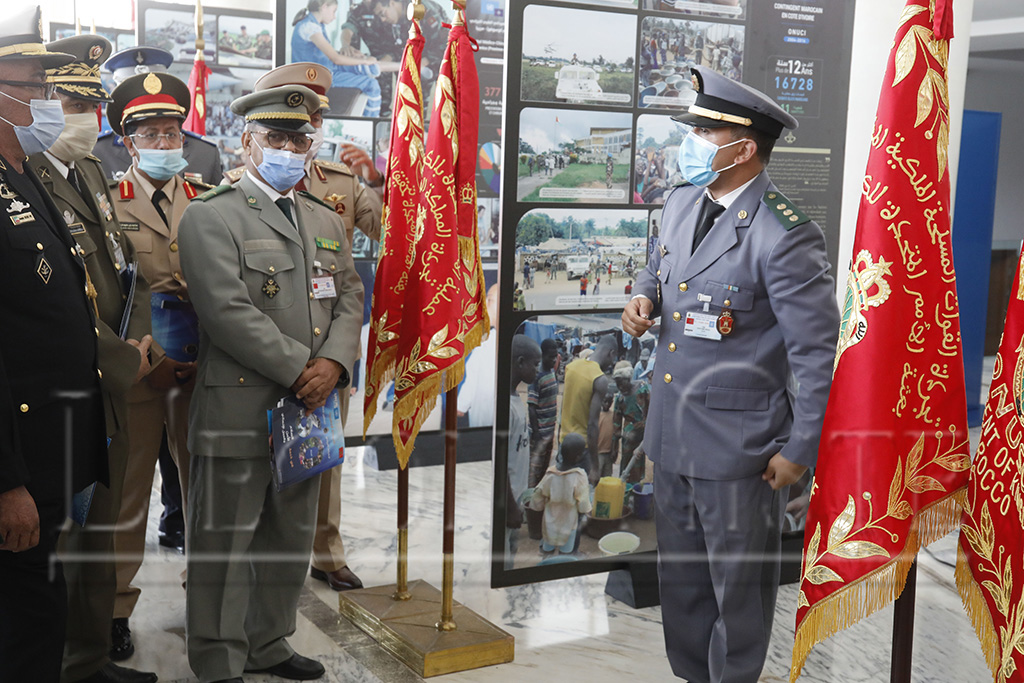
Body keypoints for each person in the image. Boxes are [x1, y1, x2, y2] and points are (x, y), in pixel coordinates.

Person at [621, 66, 839, 683]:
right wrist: (642, 298)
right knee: (684, 590)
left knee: (737, 602)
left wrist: (800, 453)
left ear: (743, 148)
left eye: (704, 131)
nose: (690, 141)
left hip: (740, 450)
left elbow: (816, 356)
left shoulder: (785, 234)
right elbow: (658, 268)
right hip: (672, 435)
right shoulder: (683, 201)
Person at [178, 84, 363, 681]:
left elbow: (350, 295)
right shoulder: (212, 215)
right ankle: (219, 658)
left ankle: (270, 644)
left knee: (289, 535)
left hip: (309, 411)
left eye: (299, 138)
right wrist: (299, 369)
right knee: (225, 545)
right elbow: (226, 311)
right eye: (275, 137)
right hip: (241, 408)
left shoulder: (322, 215)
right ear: (248, 142)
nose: (288, 148)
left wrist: (333, 364)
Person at [31, 34, 159, 683]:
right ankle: (54, 659)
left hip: (111, 380)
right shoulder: (23, 177)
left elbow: (121, 272)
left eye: (88, 101)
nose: (79, 115)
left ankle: (85, 657)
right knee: (59, 536)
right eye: (67, 98)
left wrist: (133, 347)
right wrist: (117, 357)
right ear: (35, 98)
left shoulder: (88, 171)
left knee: (100, 528)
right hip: (65, 384)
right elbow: (47, 302)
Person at [228, 61, 381, 595]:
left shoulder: (340, 180)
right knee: (246, 473)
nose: (305, 127)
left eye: (314, 115)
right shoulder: (232, 189)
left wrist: (385, 182)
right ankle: (232, 562)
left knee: (323, 460)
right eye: (294, 114)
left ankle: (326, 551)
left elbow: (385, 232)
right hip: (259, 360)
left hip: (324, 354)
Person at [0, 9, 108, 680]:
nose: (48, 96)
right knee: (23, 624)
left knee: (41, 606)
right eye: (35, 82)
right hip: (21, 459)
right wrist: (6, 482)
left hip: (53, 451)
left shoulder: (27, 175)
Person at [105, 71, 208, 662]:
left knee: (207, 491)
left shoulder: (209, 200)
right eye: (152, 133)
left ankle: (207, 598)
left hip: (202, 372)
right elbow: (104, 295)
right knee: (128, 496)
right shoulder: (105, 204)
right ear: (128, 139)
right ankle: (116, 607)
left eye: (173, 133)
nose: (165, 143)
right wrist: (150, 359)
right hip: (141, 375)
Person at [93, 46, 222, 185]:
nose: (163, 144)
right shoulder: (97, 152)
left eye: (171, 134)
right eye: (150, 135)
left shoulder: (205, 153)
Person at [291, 0, 398, 118]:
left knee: (370, 67)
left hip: (326, 69)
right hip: (316, 77)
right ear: (324, 7)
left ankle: (404, 66)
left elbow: (324, 54)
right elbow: (335, 58)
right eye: (333, 11)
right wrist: (365, 60)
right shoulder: (309, 27)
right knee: (371, 83)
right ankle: (370, 121)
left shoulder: (315, 25)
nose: (334, 16)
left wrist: (355, 56)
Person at [559, 335, 616, 485]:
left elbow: (564, 406)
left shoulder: (571, 366)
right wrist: (595, 467)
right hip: (581, 451)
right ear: (611, 353)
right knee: (580, 499)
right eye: (613, 358)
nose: (611, 363)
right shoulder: (599, 379)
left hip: (564, 443)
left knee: (562, 492)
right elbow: (592, 425)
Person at [506, 335, 540, 569]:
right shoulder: (506, 408)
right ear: (519, 363)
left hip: (515, 497)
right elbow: (499, 464)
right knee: (503, 559)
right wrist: (510, 507)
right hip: (506, 502)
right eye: (534, 364)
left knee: (511, 549)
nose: (537, 370)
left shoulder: (517, 398)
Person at [530, 433, 591, 556]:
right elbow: (583, 503)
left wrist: (537, 507)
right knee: (566, 552)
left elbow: (537, 495)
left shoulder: (550, 474)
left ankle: (546, 563)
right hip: (569, 524)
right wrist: (584, 511)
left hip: (550, 522)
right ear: (579, 456)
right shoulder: (580, 476)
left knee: (547, 550)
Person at [458, 284, 499, 428]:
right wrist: (462, 404)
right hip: (482, 417)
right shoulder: (487, 340)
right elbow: (472, 376)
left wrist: (461, 406)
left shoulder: (490, 343)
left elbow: (472, 379)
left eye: (489, 300)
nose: (484, 305)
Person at [611, 360, 650, 485]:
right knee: (627, 464)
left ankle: (635, 487)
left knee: (638, 462)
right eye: (617, 384)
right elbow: (616, 425)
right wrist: (614, 448)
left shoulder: (642, 388)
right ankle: (626, 489)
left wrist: (648, 429)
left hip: (644, 433)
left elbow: (651, 409)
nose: (621, 387)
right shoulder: (620, 398)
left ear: (629, 379)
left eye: (622, 383)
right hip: (629, 437)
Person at [527, 338, 559, 487]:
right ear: (542, 355)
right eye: (550, 356)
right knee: (533, 470)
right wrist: (536, 433)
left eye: (555, 356)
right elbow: (532, 407)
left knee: (544, 468)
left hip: (549, 432)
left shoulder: (552, 371)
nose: (553, 360)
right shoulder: (536, 376)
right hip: (539, 434)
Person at [595, 393, 615, 479]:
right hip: (598, 452)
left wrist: (615, 450)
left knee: (607, 477)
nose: (607, 404)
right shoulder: (596, 415)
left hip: (609, 453)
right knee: (596, 476)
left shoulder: (613, 416)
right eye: (605, 401)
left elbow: (615, 434)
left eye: (609, 402)